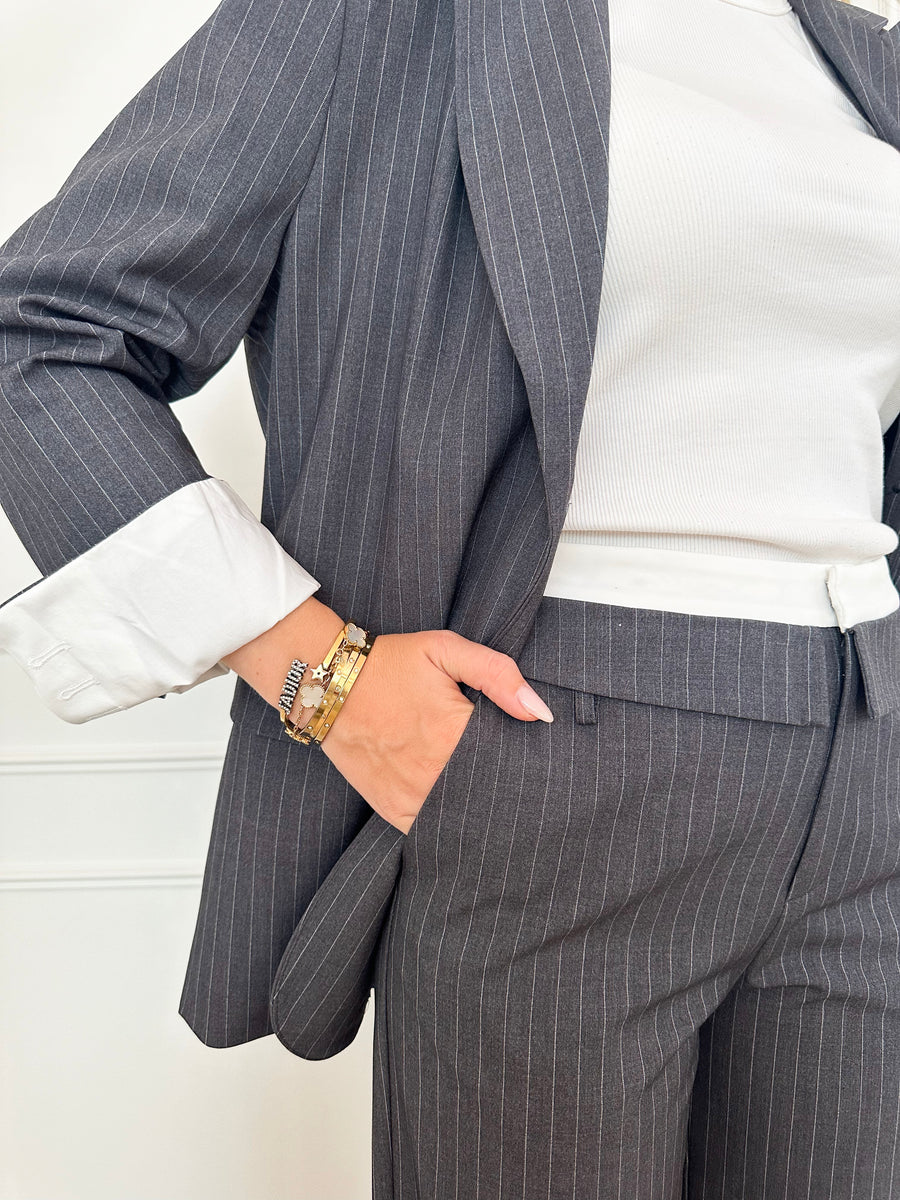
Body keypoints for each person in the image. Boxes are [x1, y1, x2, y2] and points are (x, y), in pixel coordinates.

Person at [1, 0, 899, 1194]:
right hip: (555, 741)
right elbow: (44, 335)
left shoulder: (860, 50)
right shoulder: (394, 18)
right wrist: (323, 678)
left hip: (868, 758)